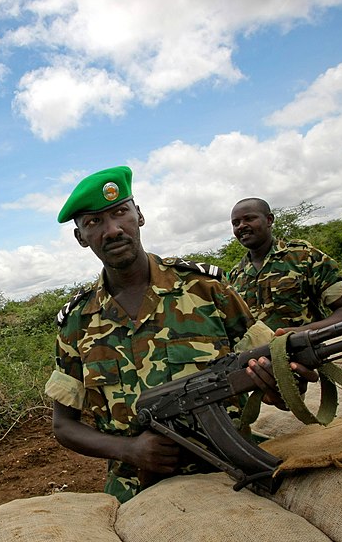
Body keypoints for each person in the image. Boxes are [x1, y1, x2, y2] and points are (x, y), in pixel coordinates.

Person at [44, 166, 308, 503]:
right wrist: (130, 449)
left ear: (139, 215)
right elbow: (63, 426)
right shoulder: (76, 323)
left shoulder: (206, 289)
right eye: (94, 223)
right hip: (137, 491)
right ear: (81, 237)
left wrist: (282, 383)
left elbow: (280, 375)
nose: (112, 230)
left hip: (235, 469)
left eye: (120, 212)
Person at [228, 198, 342, 334]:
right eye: (236, 223)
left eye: (249, 219)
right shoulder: (235, 276)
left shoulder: (303, 256)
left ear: (269, 220)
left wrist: (300, 333)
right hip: (259, 355)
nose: (241, 226)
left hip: (312, 349)